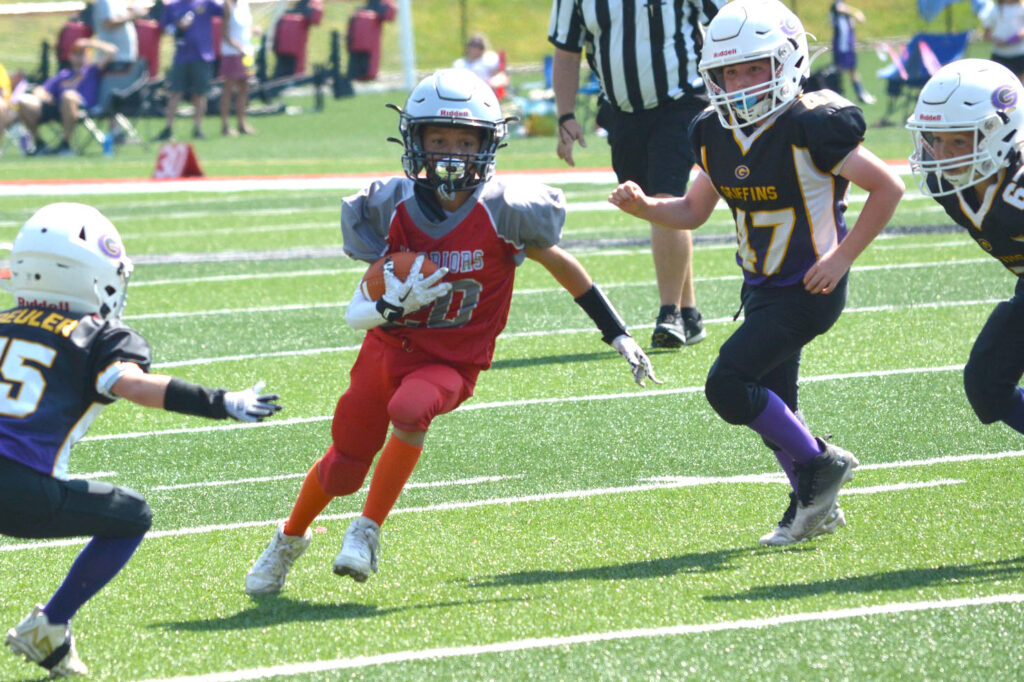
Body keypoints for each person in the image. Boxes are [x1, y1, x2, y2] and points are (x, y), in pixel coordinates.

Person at [244, 69, 658, 594]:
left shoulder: (505, 209)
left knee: (411, 408)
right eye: (438, 139)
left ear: (488, 145)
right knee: (344, 467)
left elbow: (561, 264)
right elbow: (361, 301)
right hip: (385, 349)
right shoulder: (388, 204)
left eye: (465, 141)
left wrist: (616, 332)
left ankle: (367, 530)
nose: (451, 152)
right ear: (414, 140)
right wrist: (389, 303)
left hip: (451, 361)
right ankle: (288, 538)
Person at [608, 0, 904, 546]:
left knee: (727, 386)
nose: (739, 83)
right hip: (761, 288)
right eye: (728, 72)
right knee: (775, 410)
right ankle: (812, 508)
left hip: (809, 289)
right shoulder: (711, 131)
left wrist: (842, 257)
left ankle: (822, 464)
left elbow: (888, 187)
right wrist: (647, 207)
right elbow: (694, 212)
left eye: (753, 68)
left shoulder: (813, 124)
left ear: (786, 61)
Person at [0, 203, 282, 678]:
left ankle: (49, 638)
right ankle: (50, 624)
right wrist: (220, 401)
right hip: (19, 489)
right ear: (92, 275)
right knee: (131, 515)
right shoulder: (95, 335)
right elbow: (133, 385)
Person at [549, 0, 728, 350]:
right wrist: (565, 115)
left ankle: (669, 314)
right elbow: (567, 51)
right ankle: (689, 311)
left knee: (663, 197)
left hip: (682, 100)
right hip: (621, 110)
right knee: (651, 207)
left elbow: (727, 21)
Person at [906, 59, 1024, 443]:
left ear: (999, 132)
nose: (942, 154)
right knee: (987, 384)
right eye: (936, 139)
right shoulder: (950, 184)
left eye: (959, 141)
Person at [16, 38, 117, 156]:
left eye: (83, 53)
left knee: (69, 96)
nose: (79, 57)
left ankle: (65, 144)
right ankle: (39, 143)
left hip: (81, 108)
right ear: (70, 56)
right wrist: (44, 96)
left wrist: (90, 43)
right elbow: (40, 89)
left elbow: (112, 52)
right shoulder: (64, 74)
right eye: (76, 54)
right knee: (24, 101)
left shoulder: (92, 71)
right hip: (56, 107)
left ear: (88, 56)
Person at [155, 0, 223, 141]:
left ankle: (198, 128)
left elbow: (224, 11)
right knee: (175, 92)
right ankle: (168, 128)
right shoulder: (173, 5)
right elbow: (163, 27)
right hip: (181, 56)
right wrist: (177, 27)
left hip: (202, 54)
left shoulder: (206, 3)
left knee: (200, 93)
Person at [219, 0, 258, 136]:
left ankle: (242, 123)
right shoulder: (227, 6)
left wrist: (255, 31)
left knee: (244, 87)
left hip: (247, 53)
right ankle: (225, 125)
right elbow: (225, 34)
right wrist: (239, 47)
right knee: (229, 89)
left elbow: (245, 28)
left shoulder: (244, 4)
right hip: (232, 53)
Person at [830, 1, 875, 105]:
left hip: (848, 46)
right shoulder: (836, 6)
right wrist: (856, 12)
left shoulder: (845, 11)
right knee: (838, 71)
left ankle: (860, 94)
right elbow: (840, 8)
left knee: (853, 70)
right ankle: (837, 95)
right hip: (840, 46)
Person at [979, 0, 1024, 84]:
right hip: (999, 54)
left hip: (1019, 53)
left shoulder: (1021, 7)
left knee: (1019, 82)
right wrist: (997, 40)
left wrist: (1015, 38)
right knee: (998, 81)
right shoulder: (995, 9)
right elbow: (986, 33)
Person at [452, 33, 509, 99]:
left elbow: (502, 77)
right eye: (473, 46)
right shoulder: (459, 64)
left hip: (484, 96)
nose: (476, 49)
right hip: (463, 95)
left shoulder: (488, 60)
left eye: (479, 47)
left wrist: (490, 83)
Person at [92, 0, 140, 69]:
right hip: (113, 60)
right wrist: (131, 17)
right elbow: (108, 24)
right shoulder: (104, 1)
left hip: (126, 58)